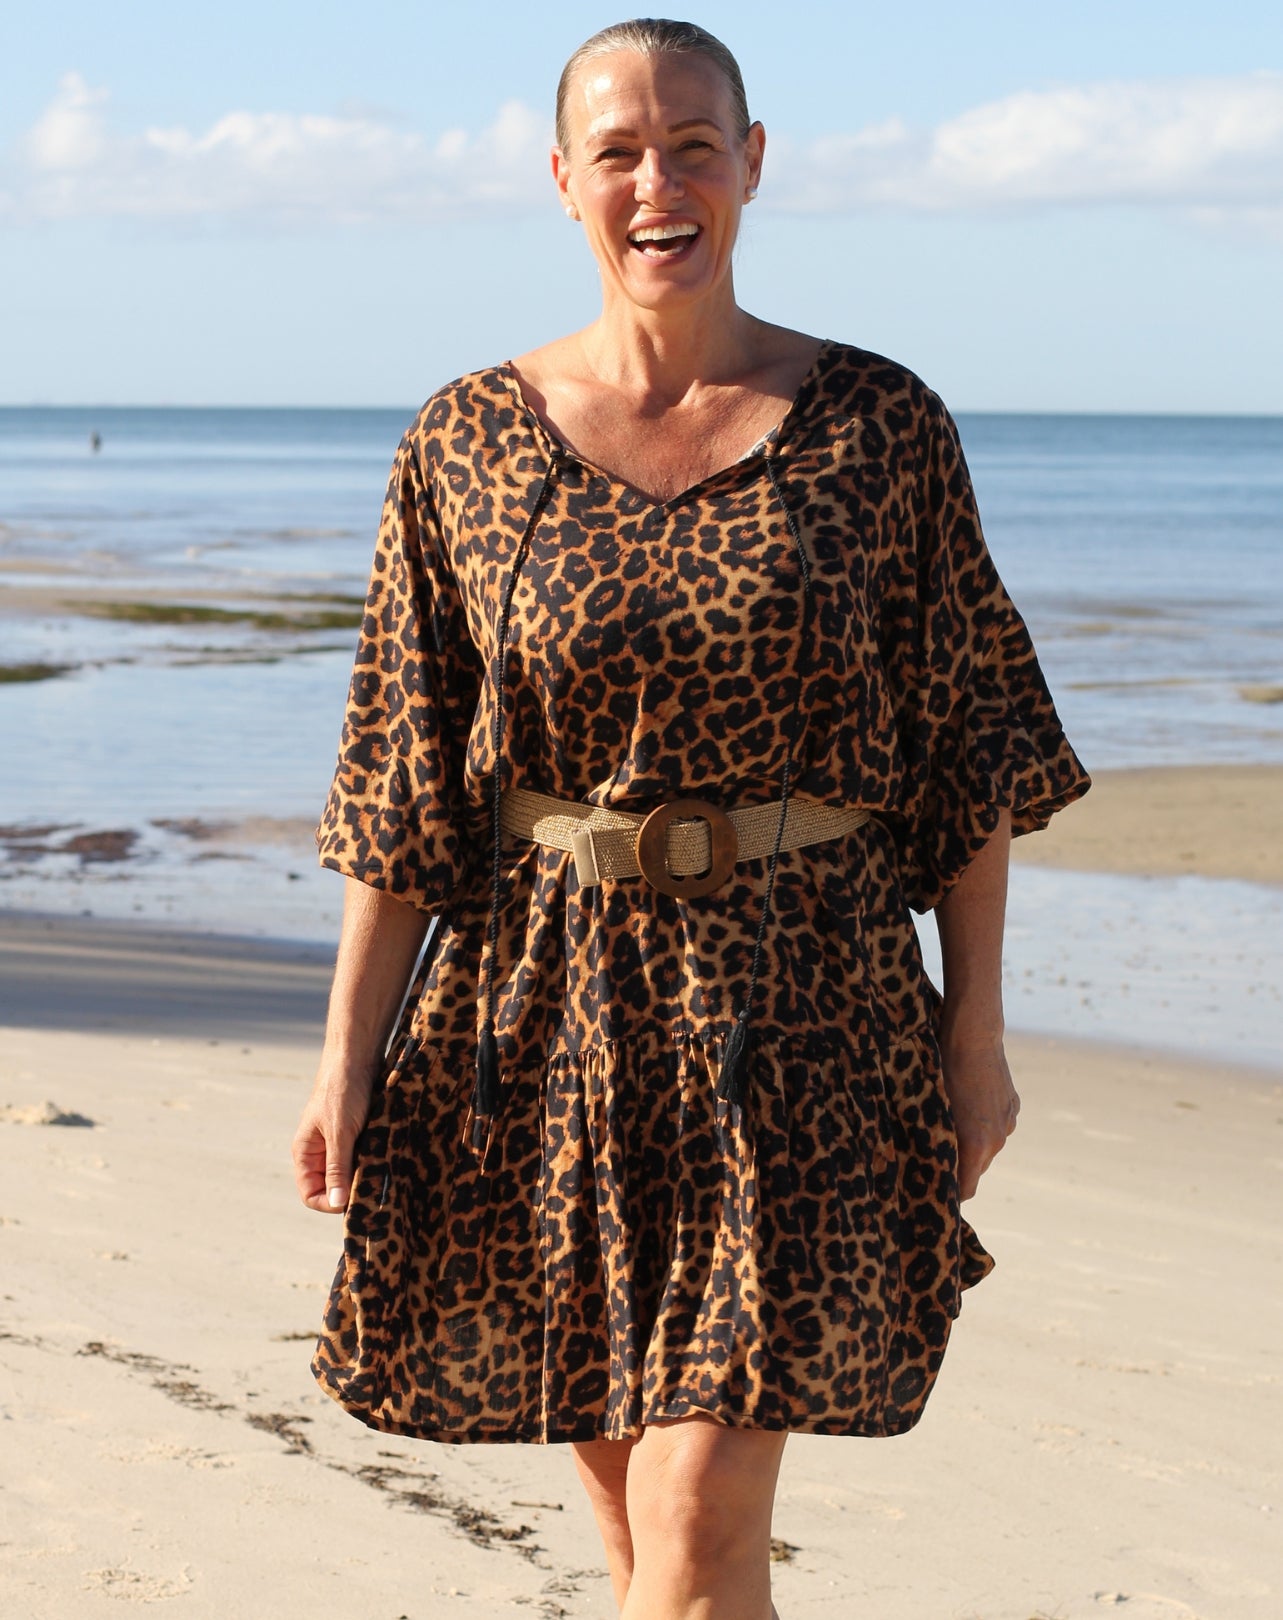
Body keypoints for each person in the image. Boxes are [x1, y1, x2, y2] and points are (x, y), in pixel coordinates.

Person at [292, 18, 1091, 1619]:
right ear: (563, 179)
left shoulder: (881, 428)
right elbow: (405, 783)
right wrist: (348, 1059)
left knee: (703, 1516)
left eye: (695, 144)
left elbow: (970, 763)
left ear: (753, 161)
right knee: (644, 1543)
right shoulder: (462, 442)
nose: (659, 181)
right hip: (539, 1019)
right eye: (620, 150)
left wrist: (977, 1036)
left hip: (807, 1007)